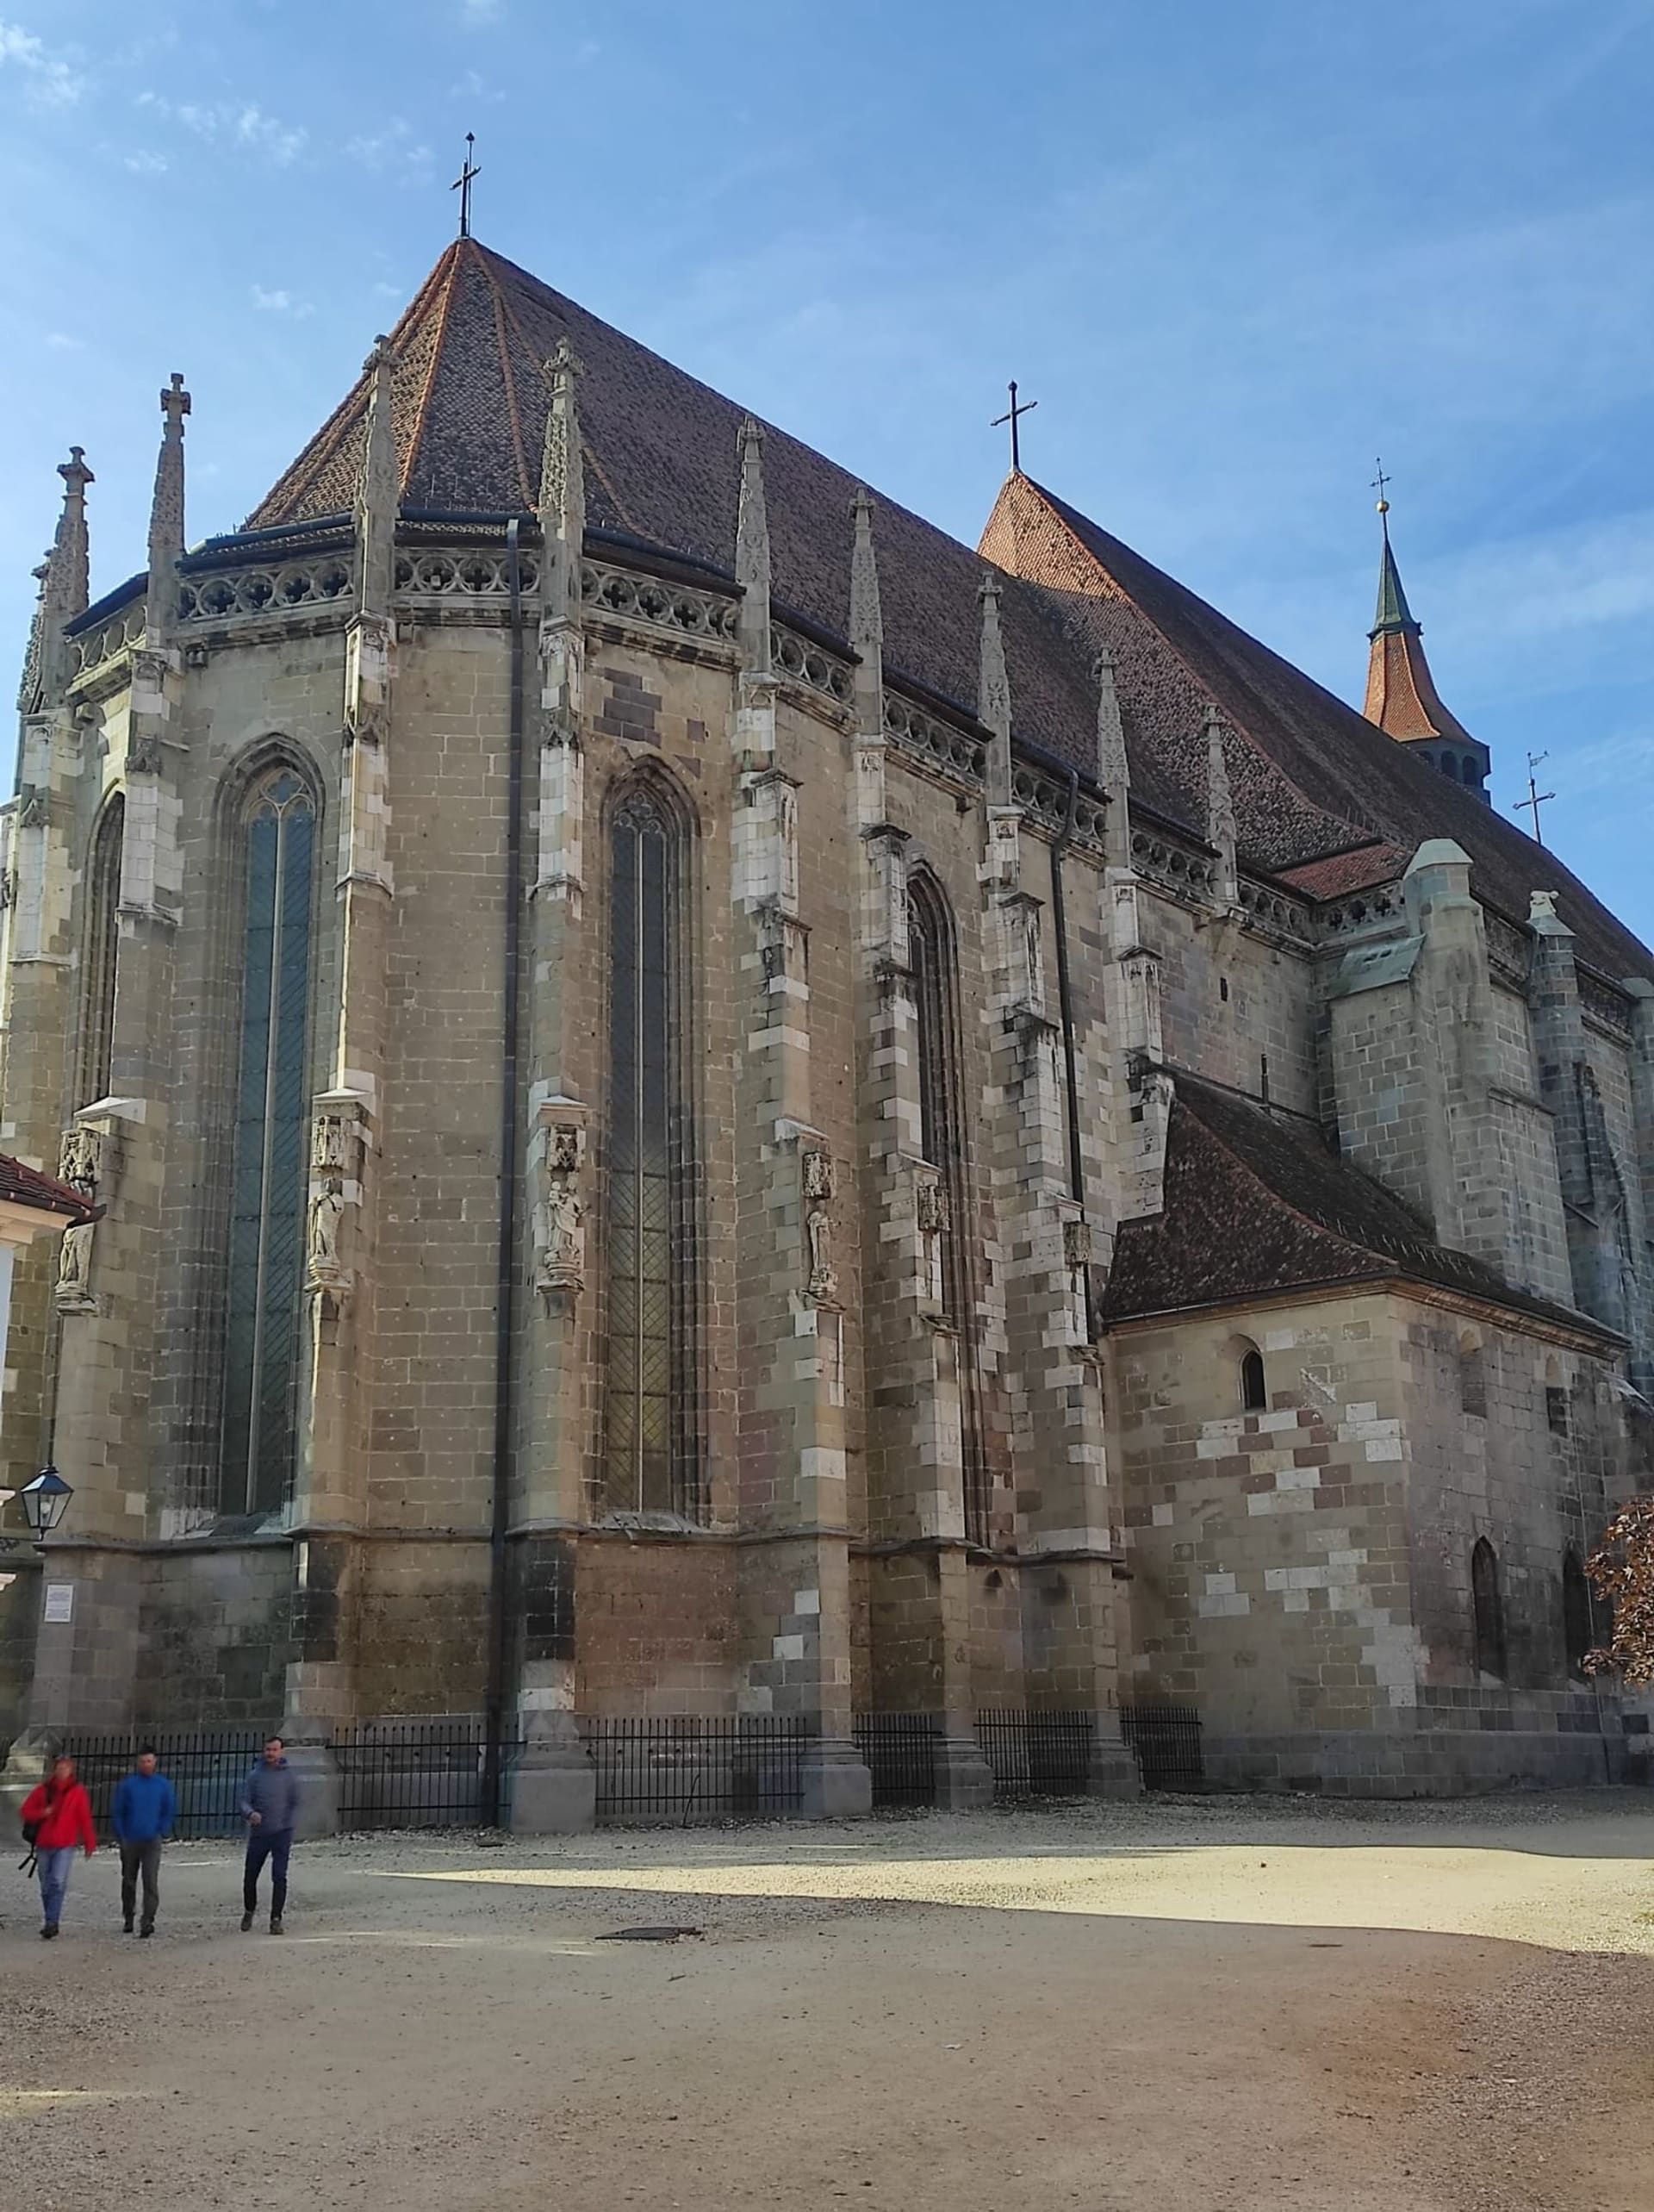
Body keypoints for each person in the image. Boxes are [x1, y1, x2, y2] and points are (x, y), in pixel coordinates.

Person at [19, 1754, 96, 1940]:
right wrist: (42, 1813)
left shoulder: (77, 1792)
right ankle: (50, 1918)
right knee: (46, 1885)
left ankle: (52, 1921)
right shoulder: (42, 1790)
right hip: (44, 1843)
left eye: (66, 1768)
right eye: (60, 1767)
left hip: (65, 1844)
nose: (62, 1771)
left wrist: (89, 1841)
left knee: (57, 1882)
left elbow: (84, 1818)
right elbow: (25, 1811)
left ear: (71, 1770)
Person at [111, 1745, 176, 1937]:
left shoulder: (162, 1785)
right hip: (131, 1839)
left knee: (150, 1881)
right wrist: (122, 1835)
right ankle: (129, 1916)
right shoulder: (128, 1786)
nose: (146, 1764)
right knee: (129, 1881)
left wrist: (162, 1830)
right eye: (143, 1761)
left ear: (155, 1762)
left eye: (149, 1761)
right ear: (137, 1763)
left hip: (151, 1839)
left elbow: (168, 1809)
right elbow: (118, 1811)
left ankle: (148, 1919)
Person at [239, 1735, 300, 1935]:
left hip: (282, 1833)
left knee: (279, 1876)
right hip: (259, 1833)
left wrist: (288, 1823)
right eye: (268, 1750)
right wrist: (250, 1813)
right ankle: (249, 1910)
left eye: (274, 1750)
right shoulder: (255, 1776)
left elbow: (295, 1801)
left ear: (281, 1752)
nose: (271, 1754)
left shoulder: (289, 1776)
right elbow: (244, 1801)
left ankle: (276, 1917)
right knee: (250, 1876)